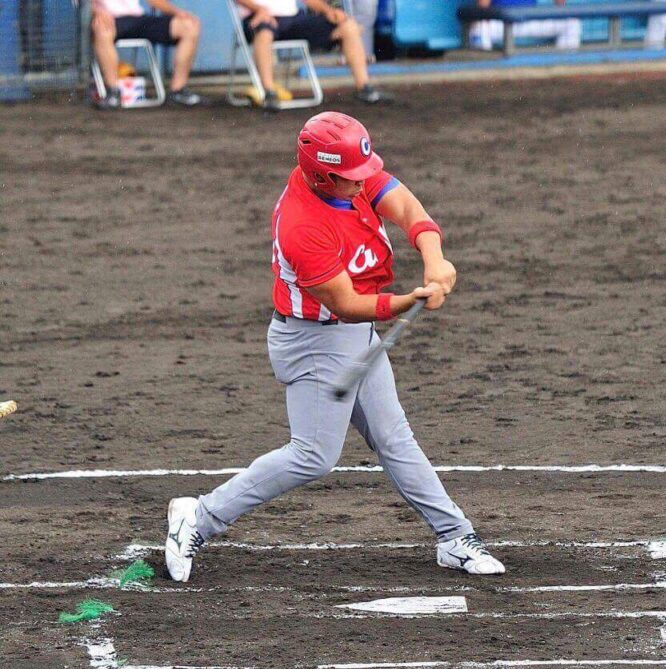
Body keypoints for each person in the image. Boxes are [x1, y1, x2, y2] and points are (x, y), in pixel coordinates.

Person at [165, 112, 506, 583]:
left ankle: (453, 536)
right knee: (313, 454)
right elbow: (346, 303)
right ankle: (198, 517)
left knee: (393, 437)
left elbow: (405, 206)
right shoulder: (304, 225)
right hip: (314, 342)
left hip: (350, 335)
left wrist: (434, 256)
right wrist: (407, 301)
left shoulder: (347, 177)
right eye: (350, 179)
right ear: (322, 174)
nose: (361, 184)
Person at [234, 0, 388, 107]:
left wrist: (329, 11)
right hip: (257, 17)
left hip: (293, 18)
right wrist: (259, 10)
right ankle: (268, 92)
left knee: (348, 26)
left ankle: (364, 88)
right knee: (264, 32)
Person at [91, 0, 203, 109]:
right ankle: (113, 93)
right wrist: (97, 12)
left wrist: (178, 13)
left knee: (190, 26)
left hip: (138, 18)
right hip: (110, 19)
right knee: (102, 28)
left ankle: (178, 91)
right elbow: (83, 5)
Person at [469, 0, 582, 51]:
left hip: (529, 21)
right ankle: (489, 73)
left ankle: (562, 66)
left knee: (572, 23)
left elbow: (560, 4)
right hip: (501, 24)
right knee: (479, 29)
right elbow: (482, 7)